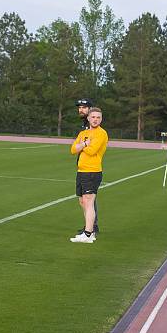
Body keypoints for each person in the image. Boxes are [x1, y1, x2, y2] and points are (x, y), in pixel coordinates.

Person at [69, 107, 108, 244]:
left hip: (92, 171)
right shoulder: (83, 133)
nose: (95, 119)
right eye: (93, 117)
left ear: (101, 119)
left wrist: (82, 145)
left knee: (89, 201)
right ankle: (89, 232)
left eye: (98, 117)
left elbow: (92, 151)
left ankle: (88, 233)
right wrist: (85, 143)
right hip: (81, 171)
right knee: (82, 202)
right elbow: (73, 149)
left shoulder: (101, 133)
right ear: (88, 118)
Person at [75, 98, 99, 237]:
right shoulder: (84, 125)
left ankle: (91, 227)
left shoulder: (92, 126)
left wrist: (82, 146)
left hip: (90, 167)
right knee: (84, 199)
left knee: (89, 198)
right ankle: (89, 226)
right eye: (79, 107)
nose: (81, 110)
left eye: (84, 107)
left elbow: (89, 147)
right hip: (82, 165)